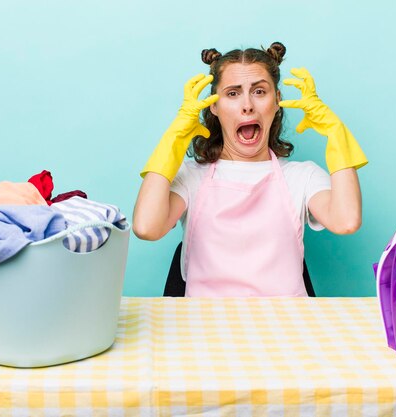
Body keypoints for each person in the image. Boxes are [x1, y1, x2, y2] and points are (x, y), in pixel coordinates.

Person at [133, 42, 367, 297]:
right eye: (233, 93)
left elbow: (346, 221)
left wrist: (336, 133)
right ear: (214, 105)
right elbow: (146, 227)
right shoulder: (192, 176)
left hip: (287, 327)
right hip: (205, 327)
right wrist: (173, 139)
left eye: (259, 91)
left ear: (277, 100)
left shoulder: (302, 176)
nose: (247, 105)